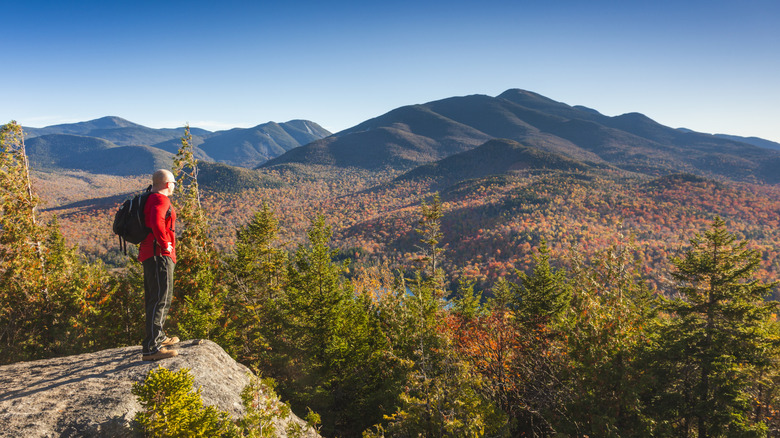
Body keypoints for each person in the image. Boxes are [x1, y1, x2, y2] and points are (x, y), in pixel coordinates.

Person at [140, 169, 180, 361]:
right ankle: (151, 347)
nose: (174, 186)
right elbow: (157, 222)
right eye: (173, 183)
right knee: (161, 298)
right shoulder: (160, 200)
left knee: (155, 298)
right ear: (167, 184)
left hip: (151, 254)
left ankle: (158, 337)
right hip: (159, 256)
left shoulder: (150, 198)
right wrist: (165, 244)